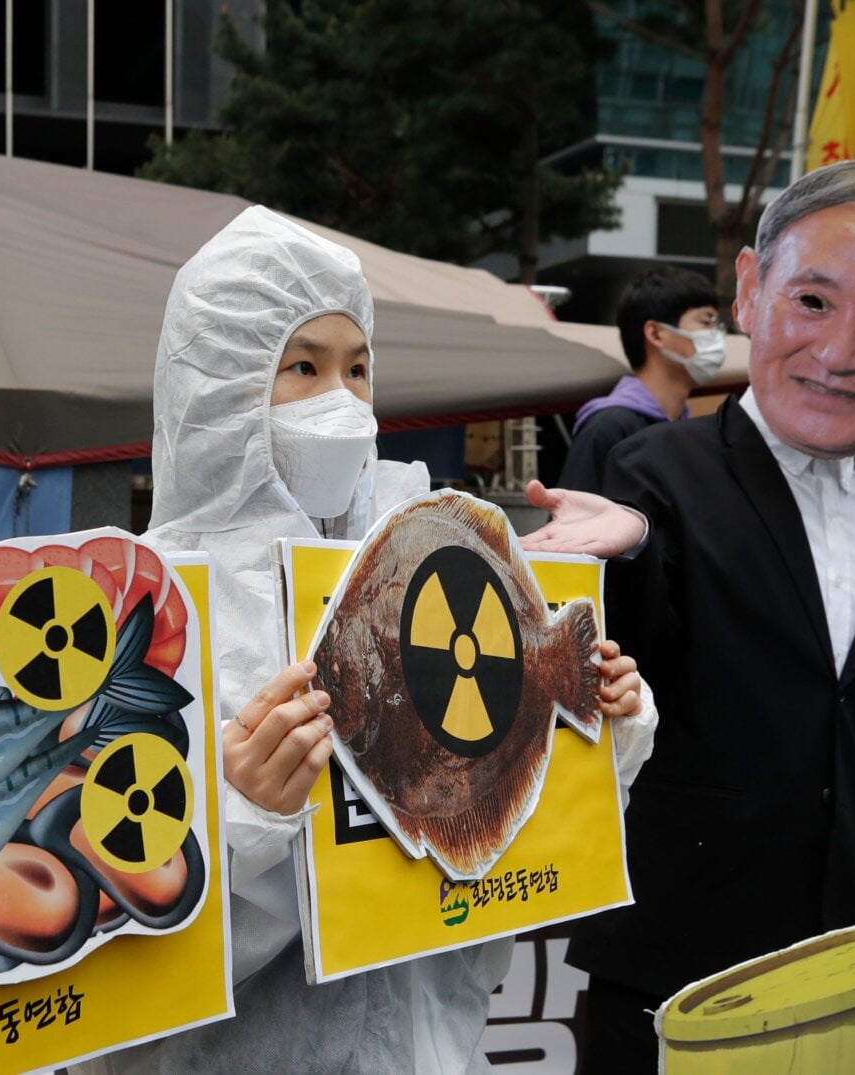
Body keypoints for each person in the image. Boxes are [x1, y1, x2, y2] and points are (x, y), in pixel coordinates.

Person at [77, 206, 657, 1073]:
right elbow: (109, 957)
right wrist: (245, 825)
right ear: (220, 386)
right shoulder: (138, 612)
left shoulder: (430, 565)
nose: (339, 401)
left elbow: (493, 859)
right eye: (301, 367)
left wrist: (592, 735)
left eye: (357, 369)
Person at [565, 159, 855, 1073]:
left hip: (838, 974)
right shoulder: (650, 475)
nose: (841, 351)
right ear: (750, 289)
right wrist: (618, 556)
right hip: (670, 971)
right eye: (814, 301)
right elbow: (610, 679)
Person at [557, 267, 723, 494]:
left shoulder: (689, 431)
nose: (717, 336)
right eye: (706, 321)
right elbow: (570, 521)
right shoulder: (608, 427)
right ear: (655, 333)